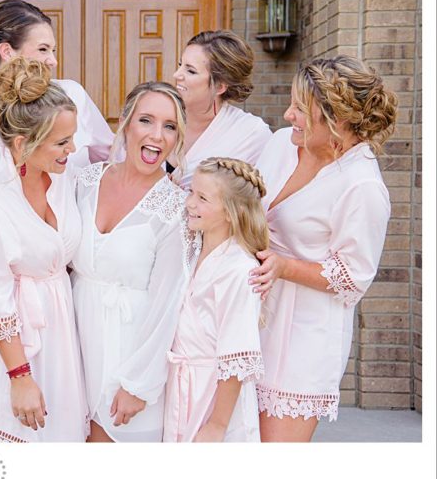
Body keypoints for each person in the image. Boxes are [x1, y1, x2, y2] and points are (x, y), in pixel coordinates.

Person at [251, 55, 397, 441]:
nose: (287, 116)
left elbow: (352, 278)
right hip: (248, 316)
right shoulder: (282, 145)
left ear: (338, 118)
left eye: (300, 108)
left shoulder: (361, 186)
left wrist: (283, 266)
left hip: (302, 336)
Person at [0, 57, 88, 442]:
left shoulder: (62, 177)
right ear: (21, 143)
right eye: (62, 142)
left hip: (59, 330)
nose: (73, 149)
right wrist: (20, 378)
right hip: (9, 348)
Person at [72, 81, 191, 442]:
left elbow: (168, 303)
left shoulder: (176, 209)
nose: (157, 136)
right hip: (76, 349)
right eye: (146, 120)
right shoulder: (84, 182)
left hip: (129, 356)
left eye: (170, 126)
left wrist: (138, 384)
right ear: (124, 123)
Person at [0, 0, 113, 204]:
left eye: (53, 50)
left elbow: (112, 159)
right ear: (7, 51)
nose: (53, 60)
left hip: (77, 231)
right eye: (43, 49)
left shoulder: (72, 96)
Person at [163, 158, 267, 443]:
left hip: (217, 399)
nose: (190, 203)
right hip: (183, 387)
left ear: (231, 213)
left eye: (202, 198)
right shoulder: (192, 250)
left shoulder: (238, 270)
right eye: (191, 192)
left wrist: (218, 425)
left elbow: (237, 355)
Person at [170, 30, 272, 189]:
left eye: (190, 70)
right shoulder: (160, 118)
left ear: (220, 86)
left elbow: (259, 198)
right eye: (180, 65)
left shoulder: (250, 134)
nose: (177, 75)